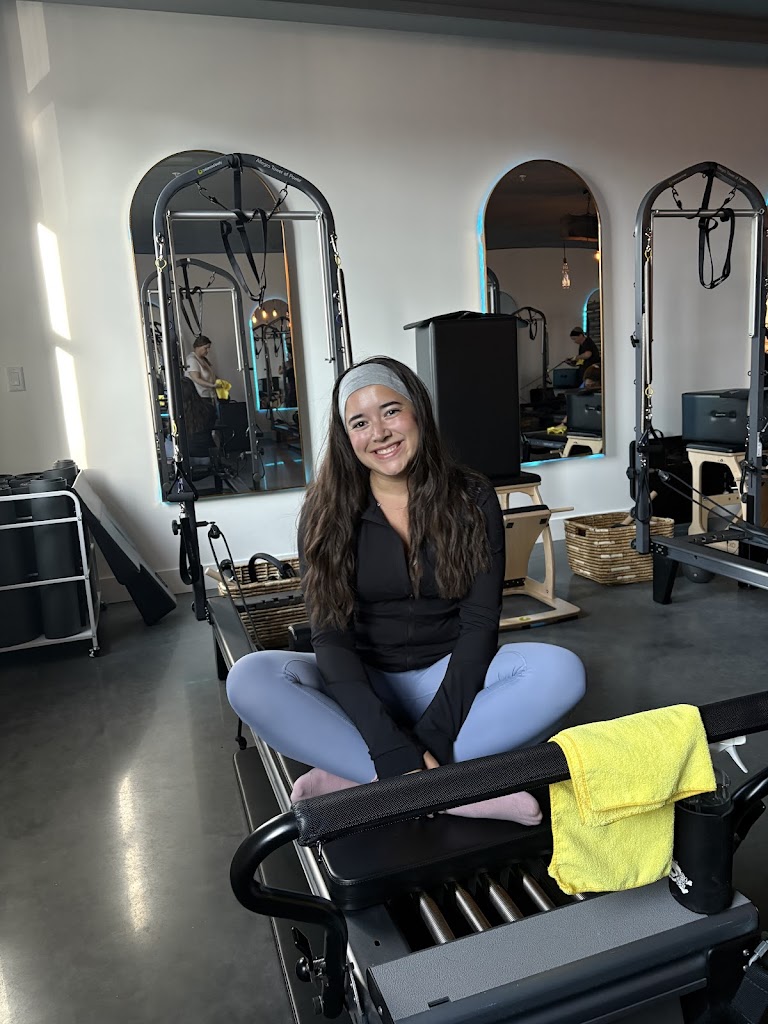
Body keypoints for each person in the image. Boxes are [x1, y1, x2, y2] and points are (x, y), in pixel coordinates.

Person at [226, 357, 586, 822]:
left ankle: (360, 781)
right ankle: (459, 791)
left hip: (449, 675)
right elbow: (331, 639)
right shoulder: (324, 511)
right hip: (362, 682)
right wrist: (387, 744)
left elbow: (480, 623)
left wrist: (429, 738)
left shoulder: (472, 497)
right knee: (249, 678)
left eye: (391, 411)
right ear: (346, 436)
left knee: (563, 671)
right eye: (360, 422)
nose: (379, 433)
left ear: (417, 411)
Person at [185, 335, 218, 403]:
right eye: (206, 348)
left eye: (209, 348)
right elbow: (196, 379)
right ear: (198, 347)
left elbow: (211, 375)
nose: (208, 350)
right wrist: (212, 385)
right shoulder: (192, 360)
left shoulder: (204, 360)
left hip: (209, 396)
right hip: (200, 398)